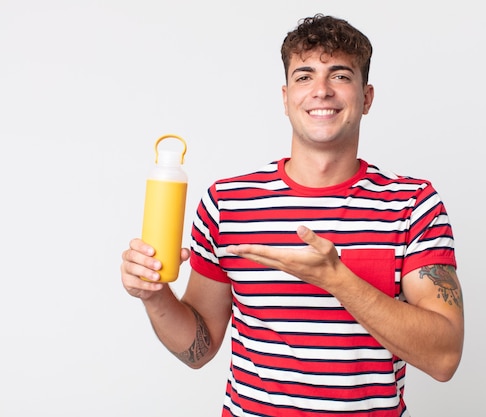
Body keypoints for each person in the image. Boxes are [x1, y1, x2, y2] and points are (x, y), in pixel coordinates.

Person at [121, 13, 464, 417]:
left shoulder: (412, 204)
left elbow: (443, 358)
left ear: (366, 97)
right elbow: (199, 349)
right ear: (285, 97)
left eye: (340, 76)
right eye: (304, 76)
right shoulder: (227, 202)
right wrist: (154, 295)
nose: (321, 91)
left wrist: (337, 280)